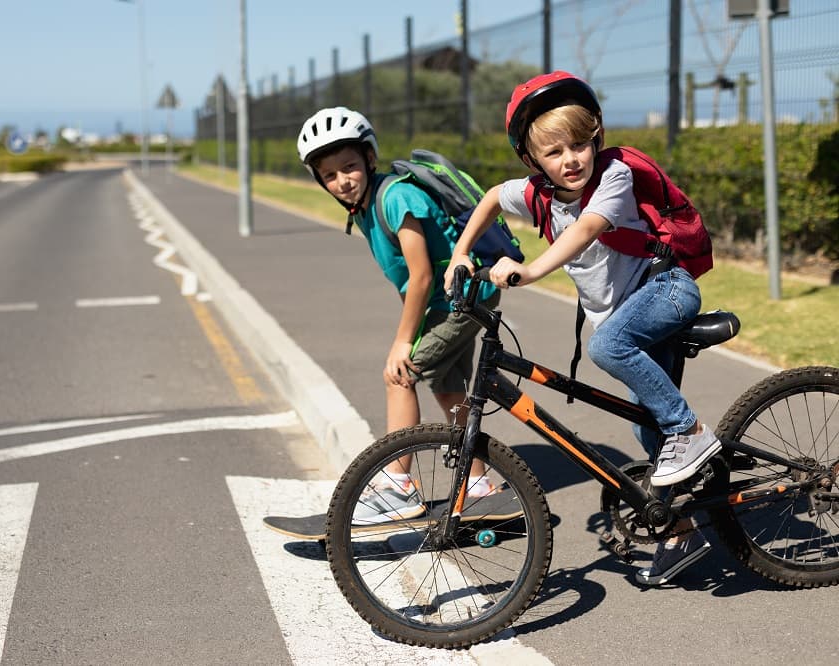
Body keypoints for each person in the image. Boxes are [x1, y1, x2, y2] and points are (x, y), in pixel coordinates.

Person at [443, 71, 721, 586]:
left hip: (667, 291)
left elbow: (589, 229)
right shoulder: (537, 194)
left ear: (595, 140)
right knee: (645, 425)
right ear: (533, 161)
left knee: (609, 346)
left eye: (579, 145)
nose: (570, 159)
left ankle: (692, 432)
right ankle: (682, 533)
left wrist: (528, 270)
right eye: (554, 152)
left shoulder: (612, 176)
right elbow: (487, 199)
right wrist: (460, 255)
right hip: (632, 315)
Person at [297, 106, 500, 524]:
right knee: (449, 390)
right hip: (456, 300)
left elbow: (423, 275)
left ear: (369, 159)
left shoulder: (394, 196)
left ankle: (397, 487)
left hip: (460, 297)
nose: (342, 180)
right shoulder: (367, 205)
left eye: (349, 166)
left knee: (399, 374)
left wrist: (403, 340)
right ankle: (479, 484)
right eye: (330, 175)